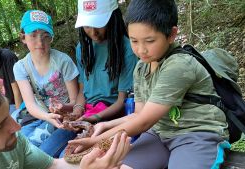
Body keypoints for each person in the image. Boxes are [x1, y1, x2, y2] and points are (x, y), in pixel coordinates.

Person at [70, 0, 231, 169]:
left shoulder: (179, 65)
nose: (141, 50)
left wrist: (96, 141)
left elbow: (144, 121)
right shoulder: (141, 67)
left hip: (196, 134)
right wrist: (104, 125)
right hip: (159, 134)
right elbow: (139, 114)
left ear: (171, 34)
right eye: (134, 41)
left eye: (149, 41)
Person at [0, 67, 131, 169]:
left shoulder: (13, 141)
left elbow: (52, 166)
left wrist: (94, 162)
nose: (16, 127)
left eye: (8, 116)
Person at [13, 10, 79, 157]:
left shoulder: (63, 61)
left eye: (45, 36)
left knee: (42, 153)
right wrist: (47, 116)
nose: (40, 42)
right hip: (40, 115)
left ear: (51, 38)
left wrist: (63, 108)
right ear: (23, 37)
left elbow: (75, 101)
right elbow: (30, 104)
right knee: (18, 147)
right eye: (33, 35)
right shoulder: (20, 67)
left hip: (66, 117)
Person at [72, 0, 138, 124]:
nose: (93, 32)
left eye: (98, 25)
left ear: (113, 19)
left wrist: (96, 118)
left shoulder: (126, 49)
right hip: (87, 113)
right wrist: (77, 110)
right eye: (87, 26)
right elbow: (82, 90)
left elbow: (122, 101)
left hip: (111, 116)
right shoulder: (83, 49)